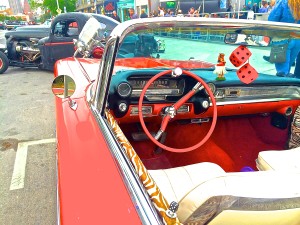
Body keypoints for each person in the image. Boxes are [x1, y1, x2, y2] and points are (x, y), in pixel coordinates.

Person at [268, 0, 300, 77]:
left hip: (282, 38)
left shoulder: (283, 2)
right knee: (288, 67)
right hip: (297, 38)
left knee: (282, 72)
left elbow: (272, 19)